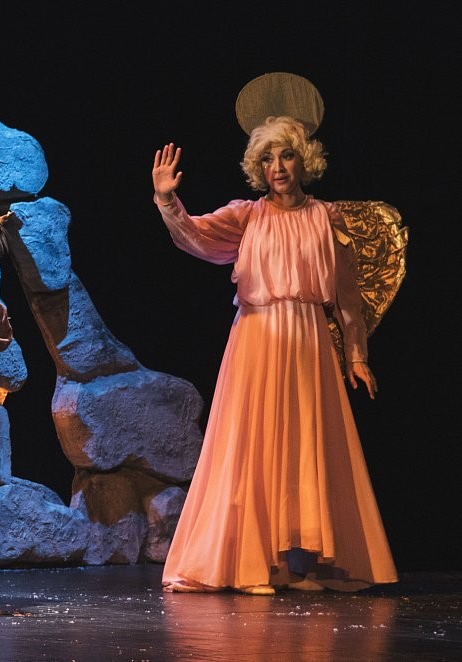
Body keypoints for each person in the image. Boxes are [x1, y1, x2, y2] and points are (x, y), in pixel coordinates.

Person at [152, 114, 398, 594]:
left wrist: (356, 355)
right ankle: (251, 566)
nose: (278, 167)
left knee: (303, 451)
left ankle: (296, 566)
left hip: (308, 342)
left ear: (303, 161)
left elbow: (347, 296)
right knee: (252, 447)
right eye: (267, 159)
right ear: (258, 168)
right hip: (257, 339)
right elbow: (195, 236)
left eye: (286, 155)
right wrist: (167, 200)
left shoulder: (326, 217)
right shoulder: (248, 215)